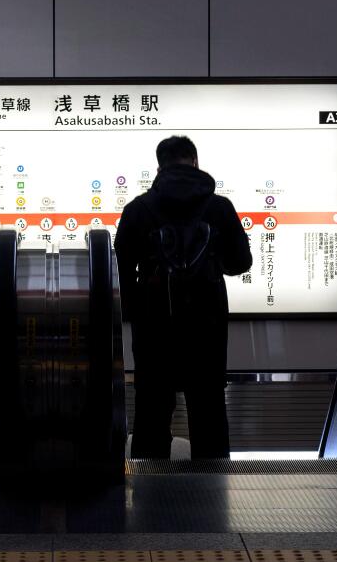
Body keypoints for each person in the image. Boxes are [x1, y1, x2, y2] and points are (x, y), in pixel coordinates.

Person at [114, 135, 252, 459]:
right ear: (195, 162)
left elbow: (119, 272)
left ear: (159, 166)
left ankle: (149, 491)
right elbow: (240, 263)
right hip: (207, 326)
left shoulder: (138, 209)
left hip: (154, 329)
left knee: (151, 411)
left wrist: (138, 313)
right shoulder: (219, 208)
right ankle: (213, 492)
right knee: (209, 411)